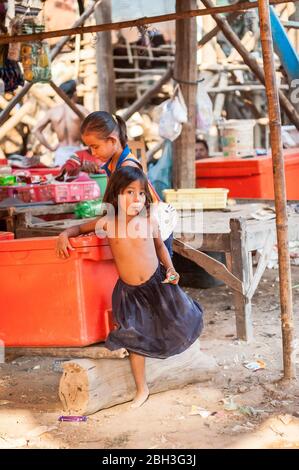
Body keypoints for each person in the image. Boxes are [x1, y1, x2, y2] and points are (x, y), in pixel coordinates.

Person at [56, 166, 203, 408]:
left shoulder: (148, 220)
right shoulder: (108, 223)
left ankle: (187, 358)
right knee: (136, 341)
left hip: (158, 283)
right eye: (129, 192)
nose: (137, 199)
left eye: (141, 193)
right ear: (116, 195)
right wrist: (64, 235)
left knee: (181, 317)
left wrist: (170, 268)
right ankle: (141, 389)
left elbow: (160, 247)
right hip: (129, 293)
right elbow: (77, 229)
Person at [77, 111, 176, 256]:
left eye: (95, 146)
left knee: (157, 274)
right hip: (138, 226)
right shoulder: (112, 164)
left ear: (112, 141)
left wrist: (85, 228)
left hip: (153, 230)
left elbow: (133, 210)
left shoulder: (127, 166)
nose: (92, 153)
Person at [32, 79, 89, 166]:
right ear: (74, 93)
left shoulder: (53, 112)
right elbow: (97, 128)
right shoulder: (81, 110)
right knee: (80, 178)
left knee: (61, 178)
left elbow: (35, 130)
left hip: (61, 152)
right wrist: (90, 146)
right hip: (77, 151)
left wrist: (50, 148)